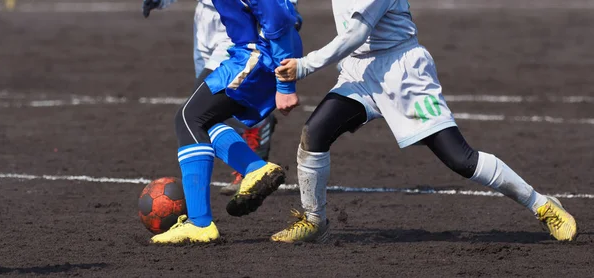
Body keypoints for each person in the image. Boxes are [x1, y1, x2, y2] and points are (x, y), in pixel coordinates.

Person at [271, 0, 577, 243]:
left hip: (403, 73)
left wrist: (305, 66)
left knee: (461, 159)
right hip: (359, 72)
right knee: (314, 134)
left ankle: (542, 205)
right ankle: (314, 222)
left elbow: (355, 34)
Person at [143, 0, 303, 243]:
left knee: (189, 118)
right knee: (202, 119)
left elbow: (277, 16)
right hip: (251, 50)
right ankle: (256, 169)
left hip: (258, 55)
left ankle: (200, 223)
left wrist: (285, 85)